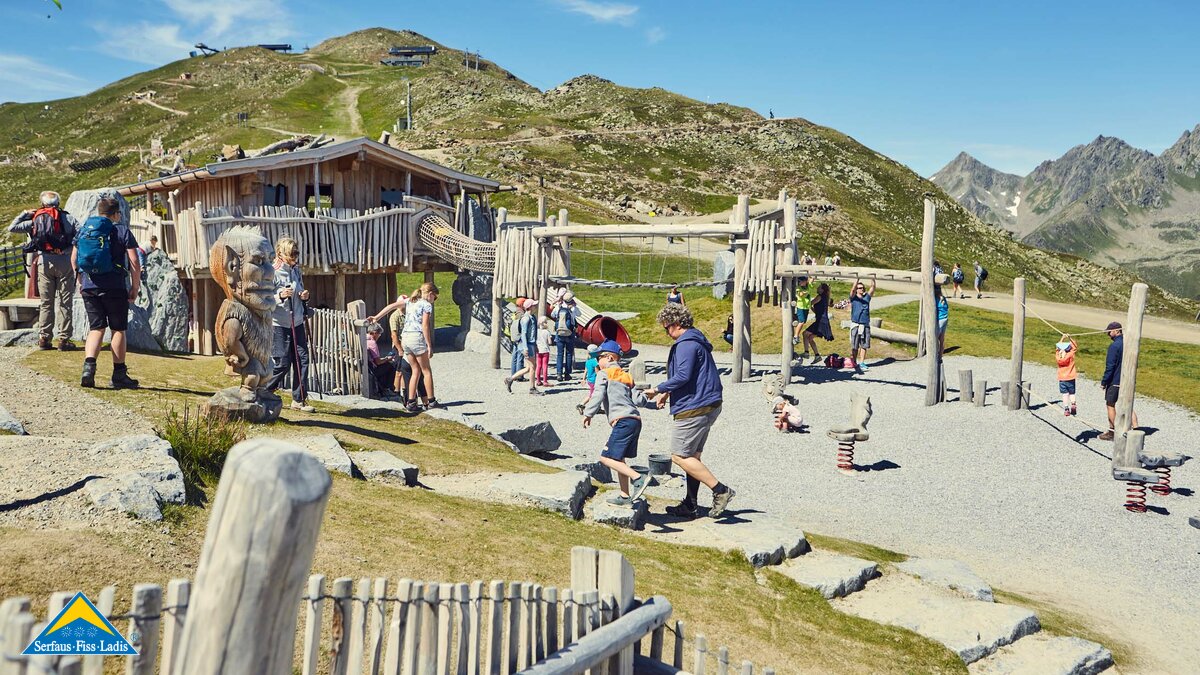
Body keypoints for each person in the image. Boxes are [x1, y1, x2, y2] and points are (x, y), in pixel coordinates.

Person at [644, 303, 735, 519]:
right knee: (693, 456)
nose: (666, 333)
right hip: (709, 403)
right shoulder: (696, 340)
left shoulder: (686, 344)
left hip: (695, 406)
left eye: (666, 328)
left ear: (676, 323)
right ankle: (690, 505)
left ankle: (721, 490)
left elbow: (683, 375)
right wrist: (668, 393)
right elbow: (690, 375)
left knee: (679, 456)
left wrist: (658, 389)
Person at [73, 196, 140, 389]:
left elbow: (74, 258)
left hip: (89, 286)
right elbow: (135, 261)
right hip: (114, 287)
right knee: (118, 329)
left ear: (99, 212)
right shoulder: (121, 230)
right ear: (116, 214)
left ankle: (88, 370)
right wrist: (135, 287)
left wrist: (80, 280)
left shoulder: (85, 230)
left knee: (96, 328)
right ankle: (119, 375)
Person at [583, 340, 651, 505]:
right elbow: (639, 400)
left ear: (609, 357)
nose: (597, 361)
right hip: (635, 420)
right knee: (619, 458)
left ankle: (638, 478)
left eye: (599, 357)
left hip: (623, 421)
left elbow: (597, 395)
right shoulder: (627, 376)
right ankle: (624, 496)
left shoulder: (604, 374)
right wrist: (651, 398)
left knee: (606, 458)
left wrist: (588, 413)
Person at [9, 191, 79, 351]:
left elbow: (12, 228)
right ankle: (64, 339)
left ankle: (44, 338)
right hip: (65, 262)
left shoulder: (35, 219)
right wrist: (67, 248)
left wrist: (25, 213)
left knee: (46, 302)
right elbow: (81, 233)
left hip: (44, 263)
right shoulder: (68, 218)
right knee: (65, 302)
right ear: (58, 203)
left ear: (42, 203)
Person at [265, 237, 313, 412]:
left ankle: (298, 400)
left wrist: (304, 296)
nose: (294, 257)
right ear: (281, 253)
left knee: (303, 359)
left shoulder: (296, 271)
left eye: (296, 253)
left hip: (297, 321)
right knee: (283, 363)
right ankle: (265, 390)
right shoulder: (273, 272)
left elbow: (300, 291)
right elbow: (265, 299)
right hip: (279, 324)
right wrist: (280, 296)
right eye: (291, 254)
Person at [401, 282, 439, 410]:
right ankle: (431, 401)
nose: (434, 300)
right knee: (426, 371)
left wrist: (377, 317)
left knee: (415, 370)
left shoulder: (410, 301)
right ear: (430, 294)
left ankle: (411, 402)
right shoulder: (426, 304)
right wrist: (429, 345)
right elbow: (425, 326)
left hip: (405, 338)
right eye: (435, 297)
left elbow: (391, 306)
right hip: (416, 337)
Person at [1099, 322, 1138, 440]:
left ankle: (1113, 432)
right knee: (1128, 405)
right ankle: (1136, 430)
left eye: (1109, 332)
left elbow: (1110, 366)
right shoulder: (1129, 343)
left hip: (1115, 381)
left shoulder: (1114, 346)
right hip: (1128, 380)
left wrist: (1104, 382)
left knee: (1110, 404)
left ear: (1117, 331)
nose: (1108, 334)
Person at [504, 299, 542, 395]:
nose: (536, 307)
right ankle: (532, 388)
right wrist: (525, 348)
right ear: (530, 307)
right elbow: (523, 334)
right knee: (533, 367)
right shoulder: (526, 319)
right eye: (534, 305)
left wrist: (535, 345)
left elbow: (533, 333)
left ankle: (510, 379)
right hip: (526, 345)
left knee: (529, 368)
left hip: (531, 344)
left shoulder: (532, 317)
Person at [848, 275, 876, 372]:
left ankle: (862, 362)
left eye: (863, 288)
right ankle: (854, 362)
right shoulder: (854, 298)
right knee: (854, 345)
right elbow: (852, 290)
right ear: (857, 289)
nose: (861, 289)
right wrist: (857, 278)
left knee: (864, 345)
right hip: (856, 324)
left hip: (865, 324)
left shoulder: (867, 297)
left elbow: (873, 288)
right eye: (859, 288)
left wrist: (873, 278)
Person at [551, 291, 581, 381]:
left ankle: (559, 374)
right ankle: (567, 374)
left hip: (559, 333)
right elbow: (579, 314)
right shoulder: (573, 308)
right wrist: (574, 306)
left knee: (559, 354)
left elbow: (552, 315)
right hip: (570, 333)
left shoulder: (559, 307)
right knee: (569, 353)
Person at [365, 322, 399, 400]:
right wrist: (387, 359)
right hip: (372, 369)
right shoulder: (372, 343)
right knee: (391, 365)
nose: (379, 336)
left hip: (367, 367)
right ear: (374, 333)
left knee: (386, 365)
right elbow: (378, 362)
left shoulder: (363, 339)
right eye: (379, 334)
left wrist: (385, 359)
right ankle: (387, 388)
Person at [803, 282, 833, 364]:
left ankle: (806, 352)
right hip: (822, 321)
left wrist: (804, 298)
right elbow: (817, 311)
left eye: (819, 287)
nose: (817, 288)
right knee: (810, 338)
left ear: (822, 290)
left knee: (805, 333)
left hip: (821, 322)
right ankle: (817, 356)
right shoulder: (825, 297)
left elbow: (809, 303)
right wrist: (811, 308)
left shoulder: (819, 296)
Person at [1056, 334, 1078, 417]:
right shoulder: (1071, 354)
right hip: (1071, 377)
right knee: (1072, 393)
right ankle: (1073, 404)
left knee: (1065, 394)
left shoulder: (1058, 356)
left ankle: (1066, 409)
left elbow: (1057, 348)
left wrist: (1062, 338)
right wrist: (1069, 338)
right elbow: (1074, 346)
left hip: (1062, 378)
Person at [576, 343, 601, 415]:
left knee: (592, 394)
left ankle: (596, 407)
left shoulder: (588, 361)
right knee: (593, 395)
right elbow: (597, 372)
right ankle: (583, 405)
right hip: (594, 380)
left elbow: (585, 371)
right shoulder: (595, 362)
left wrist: (583, 379)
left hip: (589, 380)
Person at [792, 276, 812, 351]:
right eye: (799, 281)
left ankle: (796, 318)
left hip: (806, 307)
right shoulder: (798, 288)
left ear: (805, 281)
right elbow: (801, 295)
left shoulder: (808, 286)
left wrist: (809, 276)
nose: (799, 282)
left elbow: (811, 279)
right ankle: (796, 336)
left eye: (801, 281)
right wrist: (806, 292)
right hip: (801, 307)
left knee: (803, 321)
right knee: (802, 321)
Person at [535, 317, 552, 387]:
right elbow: (550, 342)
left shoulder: (536, 331)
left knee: (538, 366)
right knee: (545, 366)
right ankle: (545, 381)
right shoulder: (547, 332)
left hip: (538, 350)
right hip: (545, 350)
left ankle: (538, 380)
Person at [935, 283, 949, 358]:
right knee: (941, 338)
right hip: (945, 318)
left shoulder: (935, 299)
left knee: (935, 337)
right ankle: (940, 354)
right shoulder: (943, 298)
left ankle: (936, 352)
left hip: (940, 319)